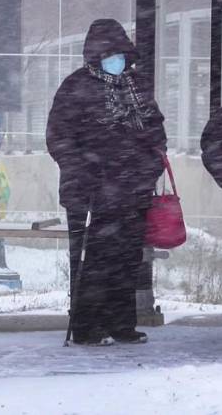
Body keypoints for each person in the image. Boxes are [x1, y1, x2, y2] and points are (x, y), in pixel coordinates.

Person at [46, 18, 167, 346]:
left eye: (120, 55)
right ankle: (87, 325)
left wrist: (150, 166)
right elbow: (59, 137)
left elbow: (156, 131)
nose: (117, 61)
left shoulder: (136, 87)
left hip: (131, 190)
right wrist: (83, 169)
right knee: (92, 261)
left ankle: (121, 322)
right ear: (95, 56)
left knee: (126, 259)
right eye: (109, 55)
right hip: (89, 192)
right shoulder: (76, 87)